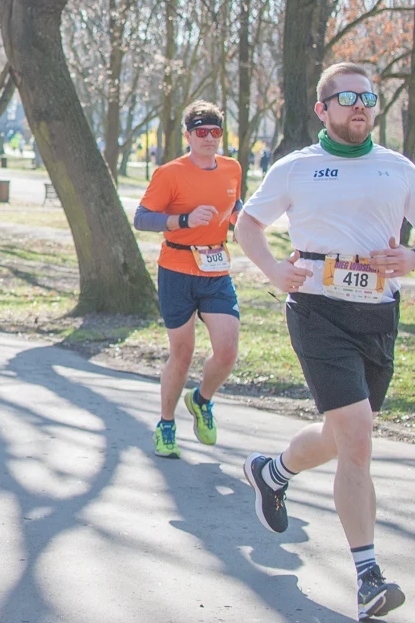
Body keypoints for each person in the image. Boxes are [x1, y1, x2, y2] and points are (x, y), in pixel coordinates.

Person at [235, 62, 412, 622]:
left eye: (368, 97)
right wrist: (271, 271)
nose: (360, 105)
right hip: (316, 309)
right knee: (358, 436)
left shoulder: (400, 169)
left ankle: (274, 471)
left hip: (379, 313)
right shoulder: (297, 168)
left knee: (343, 436)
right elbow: (247, 224)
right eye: (348, 98)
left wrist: (412, 259)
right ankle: (367, 578)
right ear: (323, 108)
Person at [132, 101, 242, 458]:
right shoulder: (169, 173)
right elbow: (142, 218)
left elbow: (234, 203)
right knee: (182, 353)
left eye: (215, 132)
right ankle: (166, 424)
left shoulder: (232, 168)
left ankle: (201, 400)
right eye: (200, 132)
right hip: (177, 269)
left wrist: (240, 223)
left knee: (226, 352)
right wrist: (183, 221)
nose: (208, 138)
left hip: (215, 270)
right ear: (188, 136)